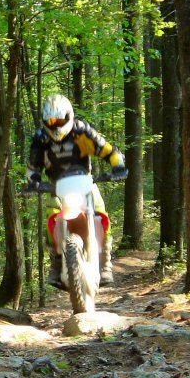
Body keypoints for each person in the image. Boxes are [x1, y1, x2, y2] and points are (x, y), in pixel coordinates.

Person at [25, 93, 127, 290]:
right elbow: (33, 167)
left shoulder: (81, 132)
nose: (56, 125)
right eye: (51, 121)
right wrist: (33, 182)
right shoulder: (40, 139)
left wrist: (118, 165)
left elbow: (105, 150)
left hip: (85, 181)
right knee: (51, 219)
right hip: (57, 186)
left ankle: (105, 264)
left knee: (101, 213)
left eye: (59, 120)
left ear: (69, 116)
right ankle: (56, 265)